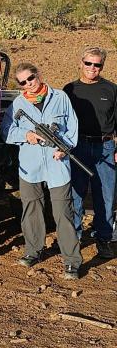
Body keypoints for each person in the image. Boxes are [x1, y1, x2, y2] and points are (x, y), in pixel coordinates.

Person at [2, 63, 82, 280]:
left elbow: (72, 127)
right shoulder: (17, 103)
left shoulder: (60, 97)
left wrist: (64, 149)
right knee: (31, 209)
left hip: (58, 164)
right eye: (23, 82)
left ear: (38, 75)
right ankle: (33, 251)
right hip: (30, 166)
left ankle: (72, 261)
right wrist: (26, 135)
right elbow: (6, 131)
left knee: (63, 213)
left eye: (31, 78)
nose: (29, 84)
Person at [63, 47, 117, 259]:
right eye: (89, 63)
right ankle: (73, 237)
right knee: (75, 192)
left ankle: (103, 238)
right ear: (81, 62)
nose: (92, 68)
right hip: (78, 145)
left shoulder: (111, 89)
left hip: (105, 147)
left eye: (97, 65)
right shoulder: (69, 90)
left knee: (105, 194)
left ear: (102, 66)